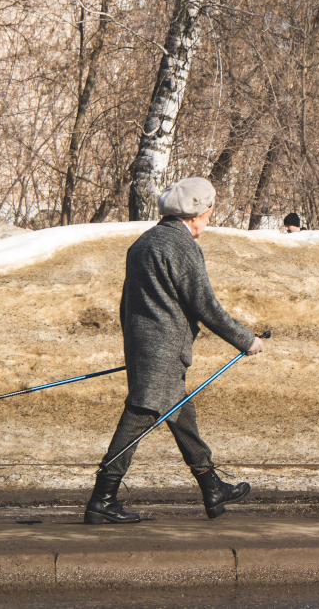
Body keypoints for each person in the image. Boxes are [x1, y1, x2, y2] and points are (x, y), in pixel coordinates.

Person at [86, 177, 266, 524]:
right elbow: (205, 305)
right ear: (195, 214)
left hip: (143, 344)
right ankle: (102, 498)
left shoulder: (144, 242)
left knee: (182, 414)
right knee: (139, 415)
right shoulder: (181, 246)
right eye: (209, 212)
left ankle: (211, 487)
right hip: (164, 348)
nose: (210, 219)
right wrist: (246, 340)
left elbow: (127, 303)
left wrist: (137, 346)